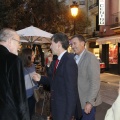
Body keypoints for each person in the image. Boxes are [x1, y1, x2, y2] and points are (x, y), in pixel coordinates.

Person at [33, 32, 82, 120]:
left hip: (63, 112)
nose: (50, 46)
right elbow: (55, 81)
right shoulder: (59, 61)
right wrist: (41, 78)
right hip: (57, 109)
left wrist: (68, 116)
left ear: (58, 45)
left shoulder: (68, 61)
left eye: (52, 44)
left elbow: (71, 92)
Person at [0, 28, 30, 120]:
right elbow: (20, 96)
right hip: (8, 115)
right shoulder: (13, 60)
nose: (19, 46)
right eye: (18, 42)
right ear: (10, 41)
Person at [71, 35, 102, 120]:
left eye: (74, 43)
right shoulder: (74, 58)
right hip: (78, 102)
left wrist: (89, 102)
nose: (72, 46)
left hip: (86, 102)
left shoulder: (90, 58)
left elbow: (95, 83)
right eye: (71, 44)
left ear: (82, 43)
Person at [20, 48, 40, 119]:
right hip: (24, 97)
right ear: (27, 56)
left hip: (33, 95)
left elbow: (34, 80)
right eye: (32, 55)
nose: (34, 56)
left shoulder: (33, 66)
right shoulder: (20, 68)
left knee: (31, 114)